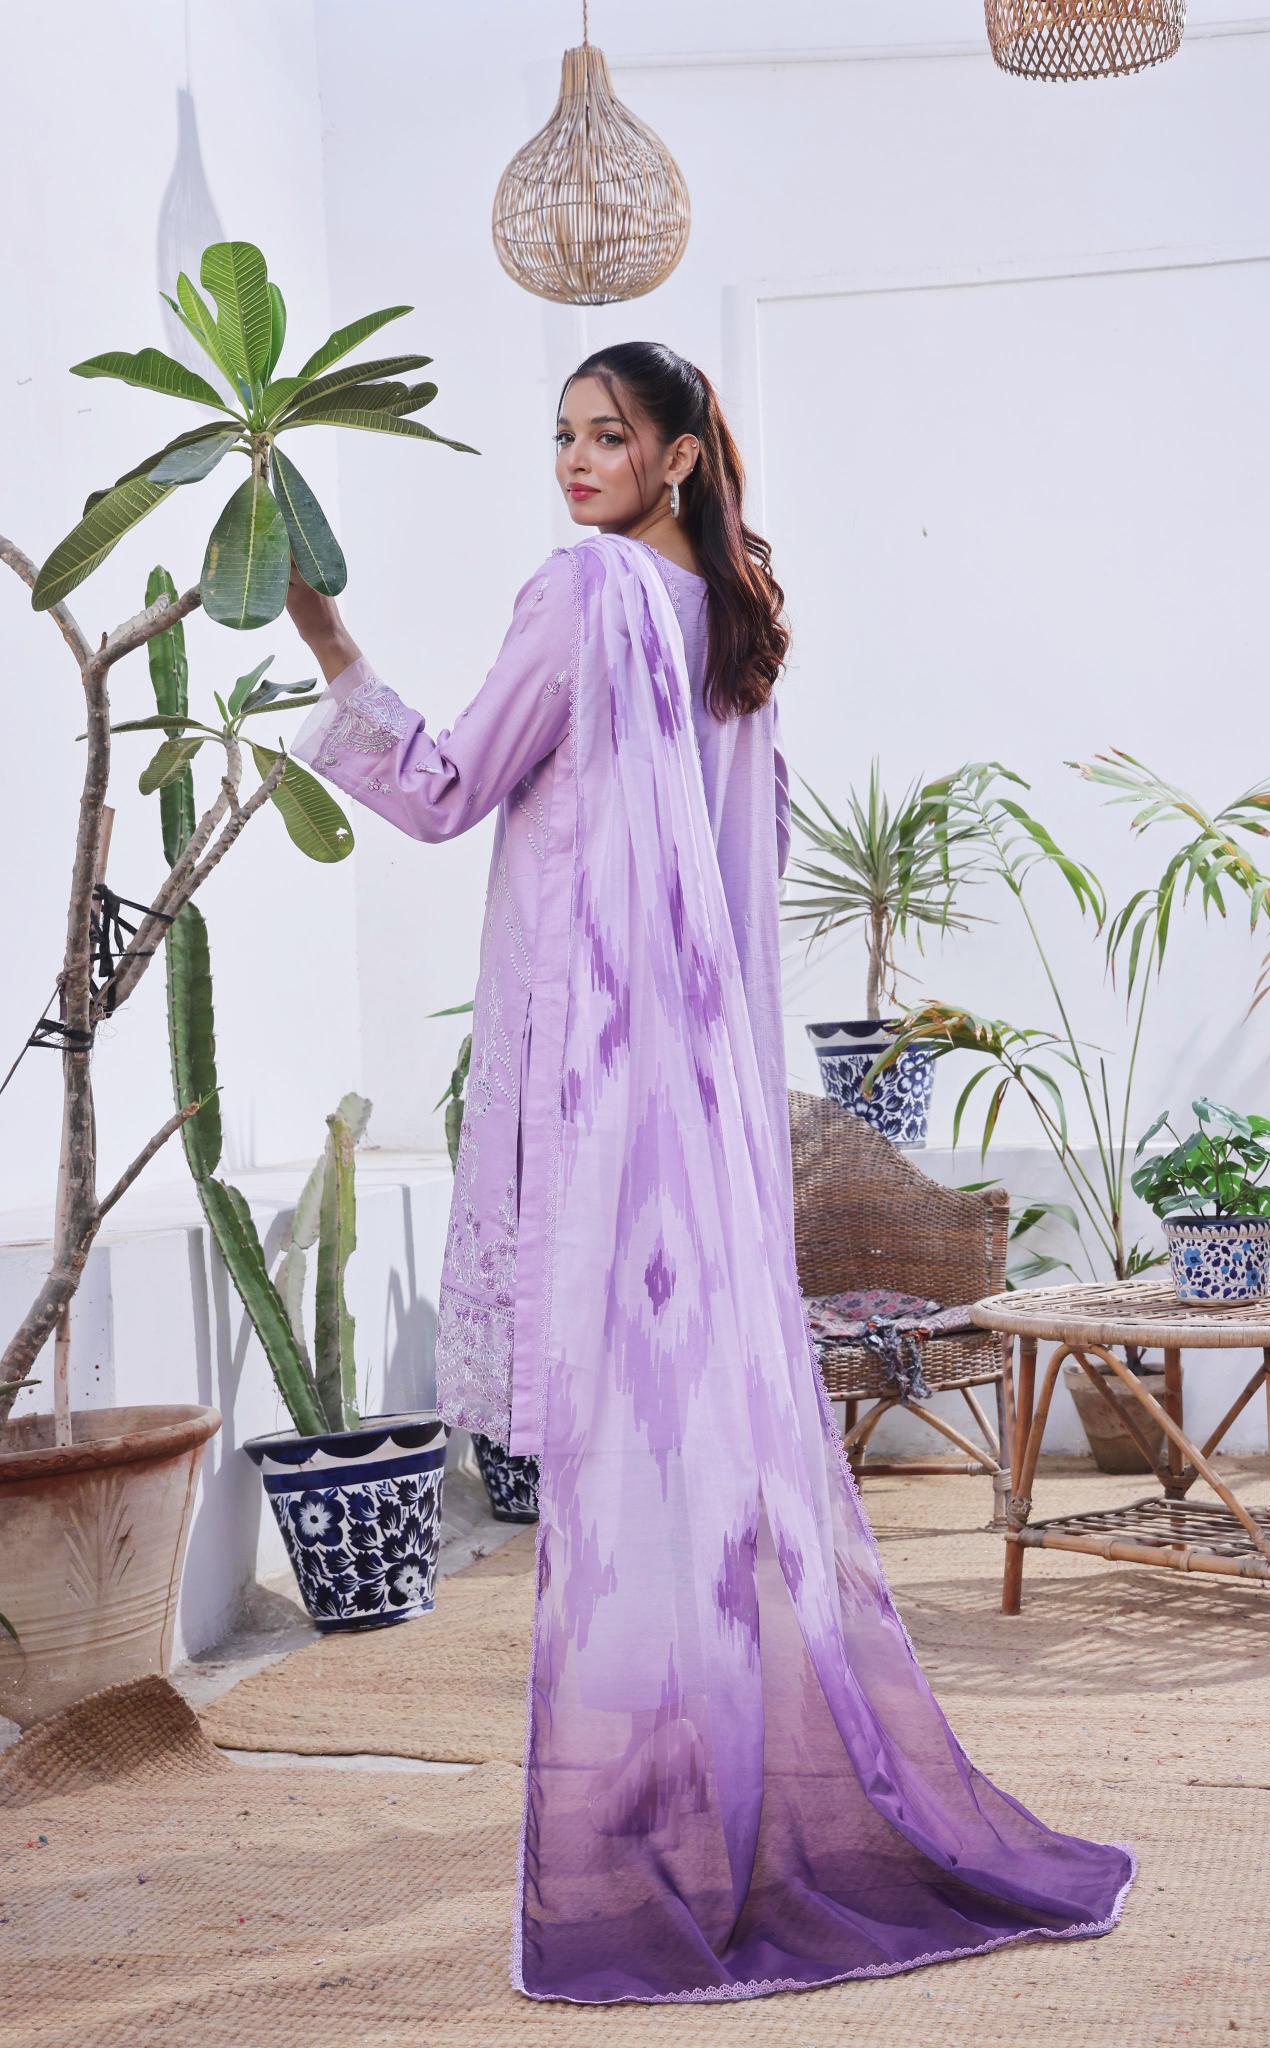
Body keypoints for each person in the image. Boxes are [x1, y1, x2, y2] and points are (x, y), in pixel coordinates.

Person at [283, 341, 1135, 2006]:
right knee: (696, 1468)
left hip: (603, 1107)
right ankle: (714, 1791)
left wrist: (330, 645)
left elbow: (447, 792)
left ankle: (647, 1834)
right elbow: (741, 893)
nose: (573, 460)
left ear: (677, 454)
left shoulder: (586, 593)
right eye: (560, 434)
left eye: (606, 435)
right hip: (704, 1113)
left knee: (624, 1479)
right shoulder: (736, 632)